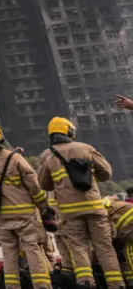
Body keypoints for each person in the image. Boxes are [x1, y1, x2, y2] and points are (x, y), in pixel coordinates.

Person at [38, 117, 124, 289]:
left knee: (78, 248)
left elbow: (44, 184)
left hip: (70, 213)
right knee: (104, 247)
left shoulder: (47, 156)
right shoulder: (86, 148)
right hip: (95, 208)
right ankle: (116, 284)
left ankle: (86, 282)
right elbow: (106, 173)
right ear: (69, 131)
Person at [0, 123, 51, 289]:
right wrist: (43, 206)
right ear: (0, 137)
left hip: (2, 217)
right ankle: (42, 286)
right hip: (24, 214)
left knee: (9, 254)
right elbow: (33, 183)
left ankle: (12, 286)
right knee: (32, 250)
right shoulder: (15, 158)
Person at [102, 196, 133, 287]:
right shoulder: (109, 204)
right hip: (127, 225)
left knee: (128, 251)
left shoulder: (100, 210)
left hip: (128, 227)